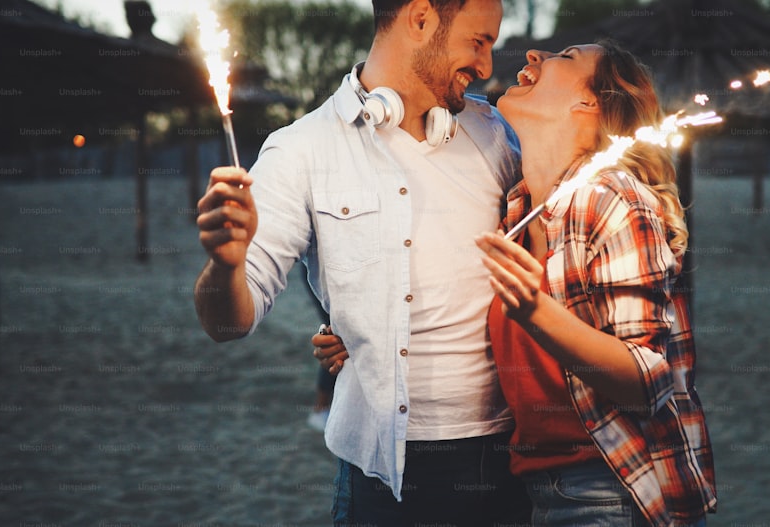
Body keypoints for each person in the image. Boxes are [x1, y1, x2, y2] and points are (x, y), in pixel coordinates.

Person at [193, 0, 531, 525]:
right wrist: (225, 265)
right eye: (478, 42)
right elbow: (227, 323)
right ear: (420, 19)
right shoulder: (298, 151)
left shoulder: (495, 133)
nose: (486, 66)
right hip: (383, 473)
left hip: (513, 455)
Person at [471, 41, 717, 526]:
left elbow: (648, 381)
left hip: (612, 491)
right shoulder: (519, 210)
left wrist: (534, 311)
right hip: (537, 490)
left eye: (565, 56)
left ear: (588, 103)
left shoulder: (612, 200)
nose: (536, 54)